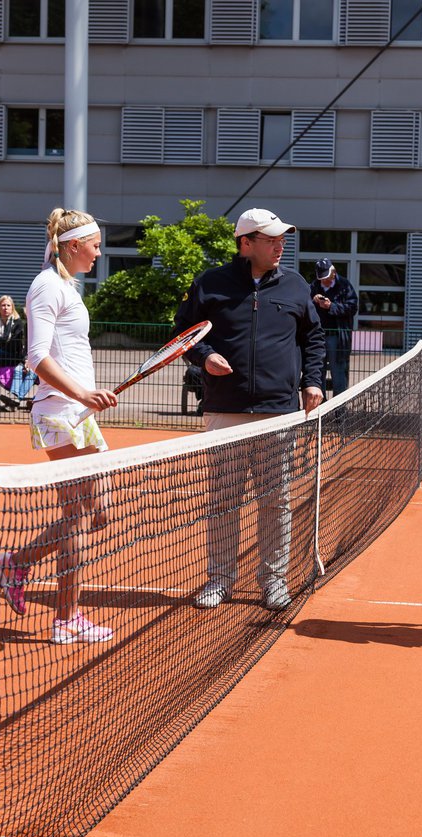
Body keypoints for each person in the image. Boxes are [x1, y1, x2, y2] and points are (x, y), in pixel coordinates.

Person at [174, 207, 325, 611]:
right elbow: (182, 334)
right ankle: (219, 579)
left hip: (279, 411)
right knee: (224, 498)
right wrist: (204, 357)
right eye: (271, 239)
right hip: (225, 409)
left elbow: (313, 338)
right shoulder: (210, 284)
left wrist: (312, 380)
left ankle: (273, 580)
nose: (280, 246)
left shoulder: (295, 286)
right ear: (246, 243)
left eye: (282, 239)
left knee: (275, 498)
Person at [0, 208, 119, 644]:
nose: (99, 253)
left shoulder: (65, 285)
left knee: (95, 512)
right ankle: (67, 618)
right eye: (95, 245)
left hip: (77, 412)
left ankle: (16, 562)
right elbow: (37, 357)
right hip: (60, 411)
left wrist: (87, 396)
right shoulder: (45, 287)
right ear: (72, 246)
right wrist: (82, 394)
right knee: (79, 516)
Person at [310, 258, 358, 396]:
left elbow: (352, 307)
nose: (324, 281)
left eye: (326, 277)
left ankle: (339, 412)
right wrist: (313, 300)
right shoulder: (314, 287)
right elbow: (304, 306)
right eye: (321, 278)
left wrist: (331, 306)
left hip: (337, 337)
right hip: (317, 336)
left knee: (339, 373)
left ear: (333, 272)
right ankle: (319, 409)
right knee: (318, 373)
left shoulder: (345, 286)